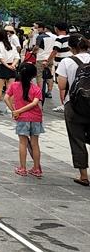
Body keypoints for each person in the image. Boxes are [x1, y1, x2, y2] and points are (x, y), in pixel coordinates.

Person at [55, 34, 90, 187]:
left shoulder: (66, 61)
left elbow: (62, 86)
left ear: (70, 47)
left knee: (77, 139)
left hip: (74, 104)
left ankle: (83, 175)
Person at [5, 63, 43, 177]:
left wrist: (15, 111)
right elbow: (35, 103)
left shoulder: (14, 86)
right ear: (34, 76)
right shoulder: (36, 89)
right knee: (35, 143)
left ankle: (22, 168)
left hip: (22, 118)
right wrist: (17, 111)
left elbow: (6, 98)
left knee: (23, 143)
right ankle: (36, 169)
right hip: (36, 117)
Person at [52, 22, 71, 112]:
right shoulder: (69, 37)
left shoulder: (59, 38)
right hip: (71, 63)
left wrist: (47, 61)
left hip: (60, 64)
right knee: (70, 85)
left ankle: (63, 105)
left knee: (62, 86)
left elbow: (55, 51)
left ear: (57, 28)